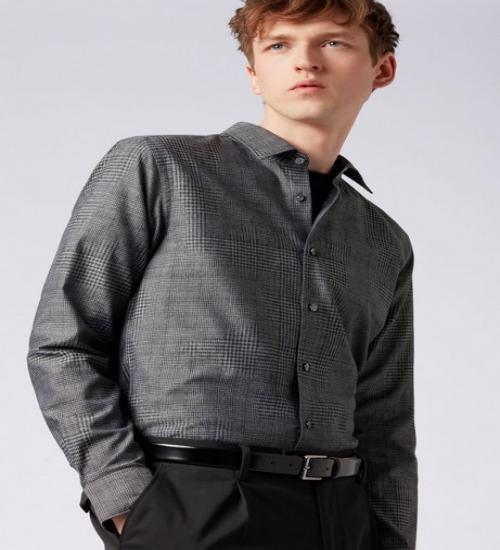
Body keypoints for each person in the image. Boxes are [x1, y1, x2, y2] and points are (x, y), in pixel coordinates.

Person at [27, 0, 418, 549]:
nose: (305, 61)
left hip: (339, 517)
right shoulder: (159, 168)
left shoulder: (383, 240)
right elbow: (64, 345)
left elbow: (384, 420)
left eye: (333, 42)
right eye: (278, 45)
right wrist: (127, 501)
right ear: (253, 73)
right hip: (190, 506)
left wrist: (391, 538)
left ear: (382, 68)